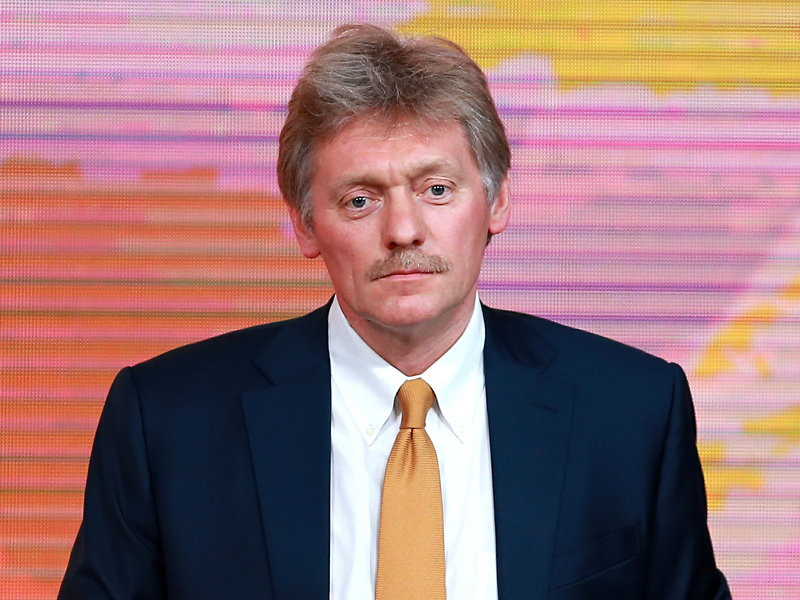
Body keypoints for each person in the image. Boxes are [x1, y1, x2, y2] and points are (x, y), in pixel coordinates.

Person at [59, 24, 731, 599]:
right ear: (305, 225)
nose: (403, 230)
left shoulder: (633, 412)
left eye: (436, 189)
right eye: (360, 200)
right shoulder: (167, 422)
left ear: (496, 201)